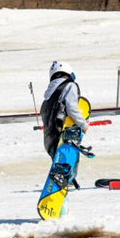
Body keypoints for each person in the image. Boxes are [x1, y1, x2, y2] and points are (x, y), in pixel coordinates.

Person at [40, 60, 88, 189]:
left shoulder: (49, 93)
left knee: (58, 163)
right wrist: (82, 124)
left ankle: (61, 183)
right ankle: (68, 183)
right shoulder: (70, 86)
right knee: (69, 159)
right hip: (63, 133)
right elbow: (71, 107)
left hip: (49, 136)